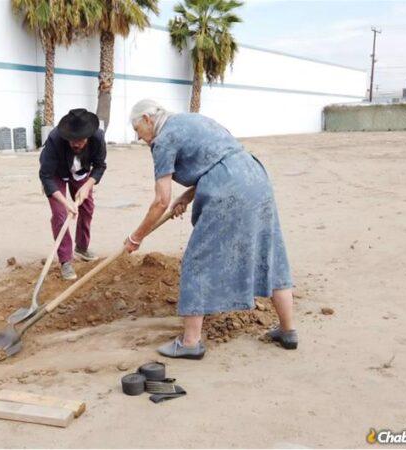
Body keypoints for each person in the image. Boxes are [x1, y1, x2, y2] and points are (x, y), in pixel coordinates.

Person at [124, 99, 298, 359]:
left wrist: (136, 237)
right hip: (255, 177)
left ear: (148, 120)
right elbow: (219, 159)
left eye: (139, 132)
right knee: (269, 252)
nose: (141, 139)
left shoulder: (163, 140)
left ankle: (190, 343)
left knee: (198, 260)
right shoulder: (193, 120)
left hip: (227, 189)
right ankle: (288, 331)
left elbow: (161, 201)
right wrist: (187, 196)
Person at [38, 108, 107, 280]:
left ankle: (82, 247)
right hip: (56, 173)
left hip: (81, 172)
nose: (76, 144)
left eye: (80, 140)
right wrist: (65, 202)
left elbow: (100, 166)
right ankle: (65, 260)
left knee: (87, 206)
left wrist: (87, 186)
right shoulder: (55, 139)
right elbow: (45, 176)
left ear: (89, 136)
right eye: (72, 140)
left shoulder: (98, 138)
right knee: (60, 215)